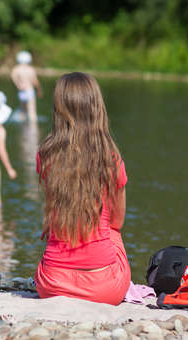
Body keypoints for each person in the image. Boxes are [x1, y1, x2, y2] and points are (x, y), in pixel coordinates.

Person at [34, 72, 131, 305]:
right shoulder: (111, 157)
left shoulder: (45, 155)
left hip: (51, 285)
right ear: (97, 108)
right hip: (105, 290)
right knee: (111, 230)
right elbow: (117, 220)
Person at [11, 51, 43, 122]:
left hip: (21, 91)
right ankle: (33, 128)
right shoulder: (31, 69)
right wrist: (39, 90)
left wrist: (18, 85)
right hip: (29, 91)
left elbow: (13, 78)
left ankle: (23, 127)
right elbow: (35, 82)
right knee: (32, 112)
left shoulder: (16, 69)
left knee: (23, 112)